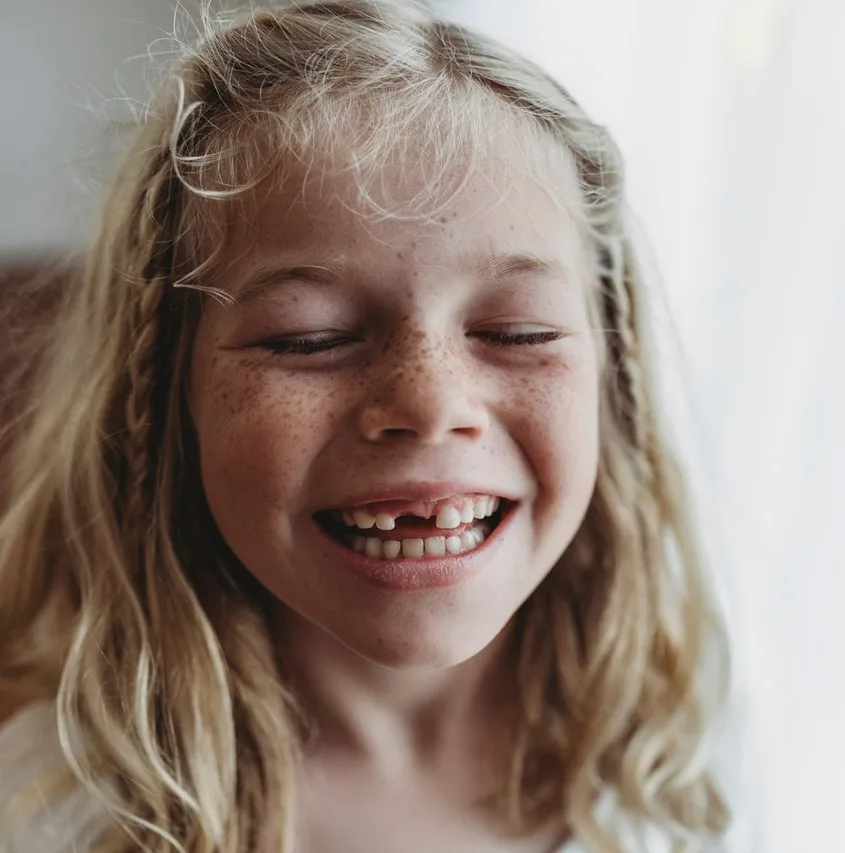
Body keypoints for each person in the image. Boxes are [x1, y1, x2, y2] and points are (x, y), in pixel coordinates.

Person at [0, 2, 730, 851]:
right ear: (169, 394)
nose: (430, 402)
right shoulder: (59, 816)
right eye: (309, 338)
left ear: (615, 380)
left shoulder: (669, 756)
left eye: (517, 331)